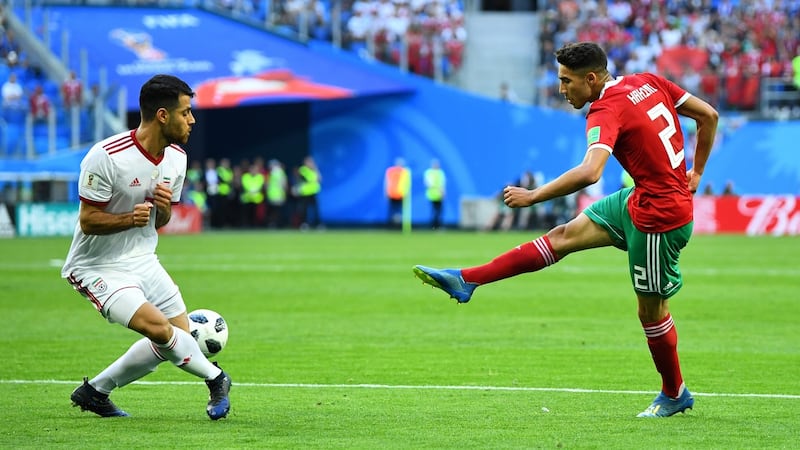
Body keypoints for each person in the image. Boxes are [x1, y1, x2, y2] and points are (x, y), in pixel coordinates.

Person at [413, 42, 718, 418]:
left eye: (566, 81)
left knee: (651, 311)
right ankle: (467, 279)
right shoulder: (648, 81)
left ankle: (674, 392)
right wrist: (698, 171)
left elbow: (591, 171)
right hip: (638, 199)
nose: (561, 89)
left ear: (590, 79)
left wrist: (534, 196)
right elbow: (708, 115)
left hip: (660, 218)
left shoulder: (606, 109)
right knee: (562, 237)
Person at [61, 74, 231, 420]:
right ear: (163, 116)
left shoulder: (177, 159)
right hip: (97, 266)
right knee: (160, 330)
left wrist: (164, 209)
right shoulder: (106, 157)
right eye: (186, 112)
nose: (192, 120)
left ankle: (95, 392)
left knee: (173, 340)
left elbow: (160, 221)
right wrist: (128, 218)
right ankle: (217, 378)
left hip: (143, 259)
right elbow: (88, 221)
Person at [384, 157, 410, 229]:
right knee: (396, 211)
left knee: (395, 211)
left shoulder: (391, 171)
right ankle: (395, 226)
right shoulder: (404, 171)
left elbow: (386, 182)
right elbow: (387, 182)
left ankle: (393, 226)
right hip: (396, 193)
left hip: (396, 193)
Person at [423, 159, 446, 229]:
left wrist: (443, 192)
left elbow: (442, 184)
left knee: (439, 211)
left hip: (438, 195)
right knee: (434, 211)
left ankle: (437, 225)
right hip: (432, 195)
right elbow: (427, 184)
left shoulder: (440, 173)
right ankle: (433, 226)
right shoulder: (429, 172)